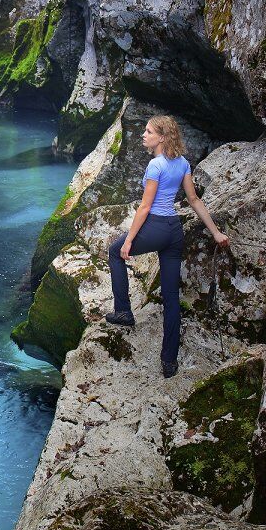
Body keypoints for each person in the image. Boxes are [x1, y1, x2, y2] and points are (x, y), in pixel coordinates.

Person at [103, 115, 229, 378]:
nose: (143, 135)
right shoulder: (182, 163)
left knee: (115, 252)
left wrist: (129, 240)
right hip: (174, 231)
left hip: (156, 226)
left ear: (161, 137)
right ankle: (169, 361)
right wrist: (216, 233)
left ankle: (123, 311)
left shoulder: (155, 165)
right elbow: (194, 200)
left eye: (148, 132)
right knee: (171, 298)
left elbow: (145, 207)